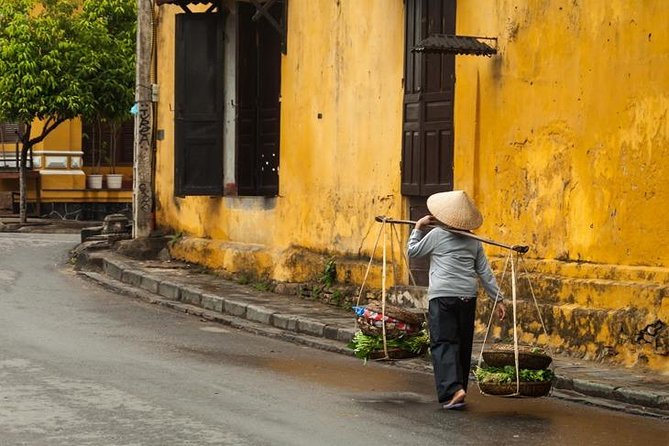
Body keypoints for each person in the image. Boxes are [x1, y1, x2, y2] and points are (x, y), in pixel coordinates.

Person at [407, 190, 506, 410]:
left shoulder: (437, 235)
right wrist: (498, 299)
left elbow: (413, 251)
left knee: (443, 343)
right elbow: (485, 272)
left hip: (443, 297)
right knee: (461, 343)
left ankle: (453, 390)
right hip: (466, 298)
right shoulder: (474, 241)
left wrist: (418, 228)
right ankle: (459, 388)